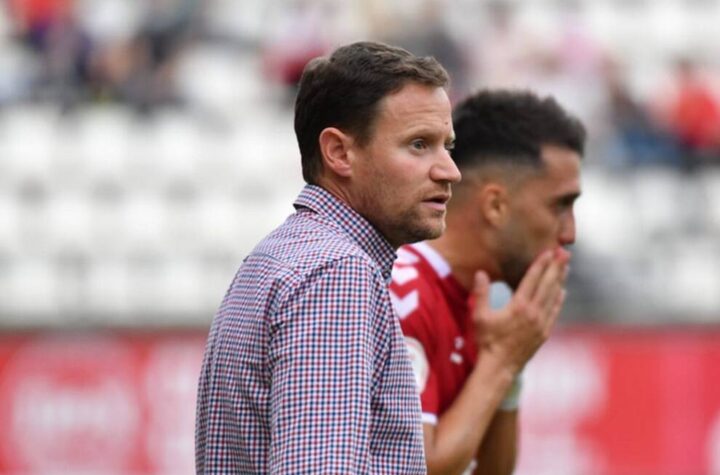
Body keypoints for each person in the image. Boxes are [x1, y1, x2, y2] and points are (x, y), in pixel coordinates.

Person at [195, 41, 462, 474]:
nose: (449, 170)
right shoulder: (336, 273)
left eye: (448, 145)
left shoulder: (281, 257)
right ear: (339, 153)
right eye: (418, 145)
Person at [390, 89, 585, 475]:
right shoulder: (404, 294)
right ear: (495, 205)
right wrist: (501, 361)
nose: (570, 233)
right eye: (559, 205)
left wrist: (507, 370)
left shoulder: (471, 308)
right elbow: (420, 468)